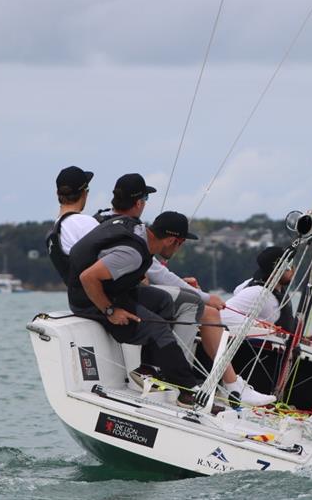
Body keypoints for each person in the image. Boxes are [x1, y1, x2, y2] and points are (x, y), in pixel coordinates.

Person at [98, 175, 274, 406]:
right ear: (138, 202)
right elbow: (157, 274)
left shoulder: (116, 225)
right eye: (146, 198)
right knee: (196, 304)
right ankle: (180, 379)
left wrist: (184, 287)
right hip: (117, 299)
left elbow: (154, 273)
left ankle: (231, 385)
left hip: (125, 293)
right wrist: (205, 296)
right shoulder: (133, 235)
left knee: (206, 311)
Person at [68, 210, 221, 412]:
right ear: (170, 240)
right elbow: (88, 278)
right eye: (181, 243)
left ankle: (148, 369)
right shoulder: (133, 254)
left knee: (165, 301)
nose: (179, 248)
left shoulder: (135, 227)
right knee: (159, 330)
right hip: (91, 299)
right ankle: (188, 391)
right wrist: (110, 311)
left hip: (115, 291)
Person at [221, 246, 312, 355]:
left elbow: (238, 292)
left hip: (289, 341)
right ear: (281, 269)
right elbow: (221, 313)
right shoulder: (259, 293)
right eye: (290, 266)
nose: (293, 269)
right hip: (281, 352)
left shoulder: (253, 284)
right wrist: (254, 324)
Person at [47, 166, 99, 284]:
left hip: (77, 297)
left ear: (57, 193)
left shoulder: (55, 230)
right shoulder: (86, 223)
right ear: (84, 192)